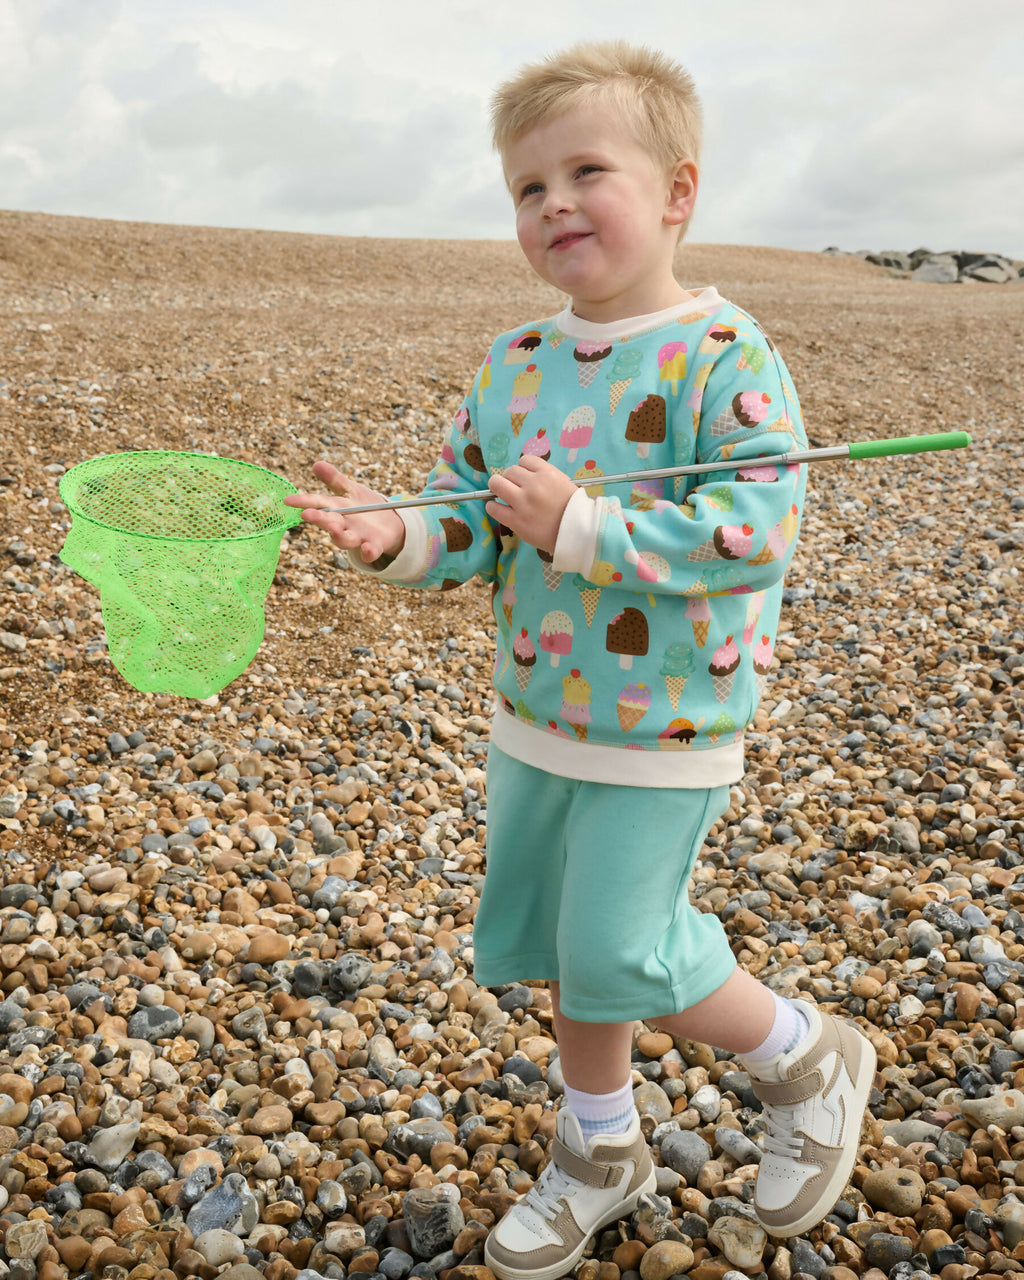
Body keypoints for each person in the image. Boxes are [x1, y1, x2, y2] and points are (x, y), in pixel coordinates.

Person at [287, 40, 875, 1280]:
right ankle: (599, 1143)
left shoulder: (723, 354)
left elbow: (755, 531)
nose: (552, 202)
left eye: (585, 171)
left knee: (623, 948)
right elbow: (466, 517)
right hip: (537, 707)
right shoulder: (512, 363)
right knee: (557, 943)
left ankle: (802, 1053)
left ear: (676, 192)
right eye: (525, 186)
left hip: (667, 718)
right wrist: (395, 534)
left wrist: (586, 524)